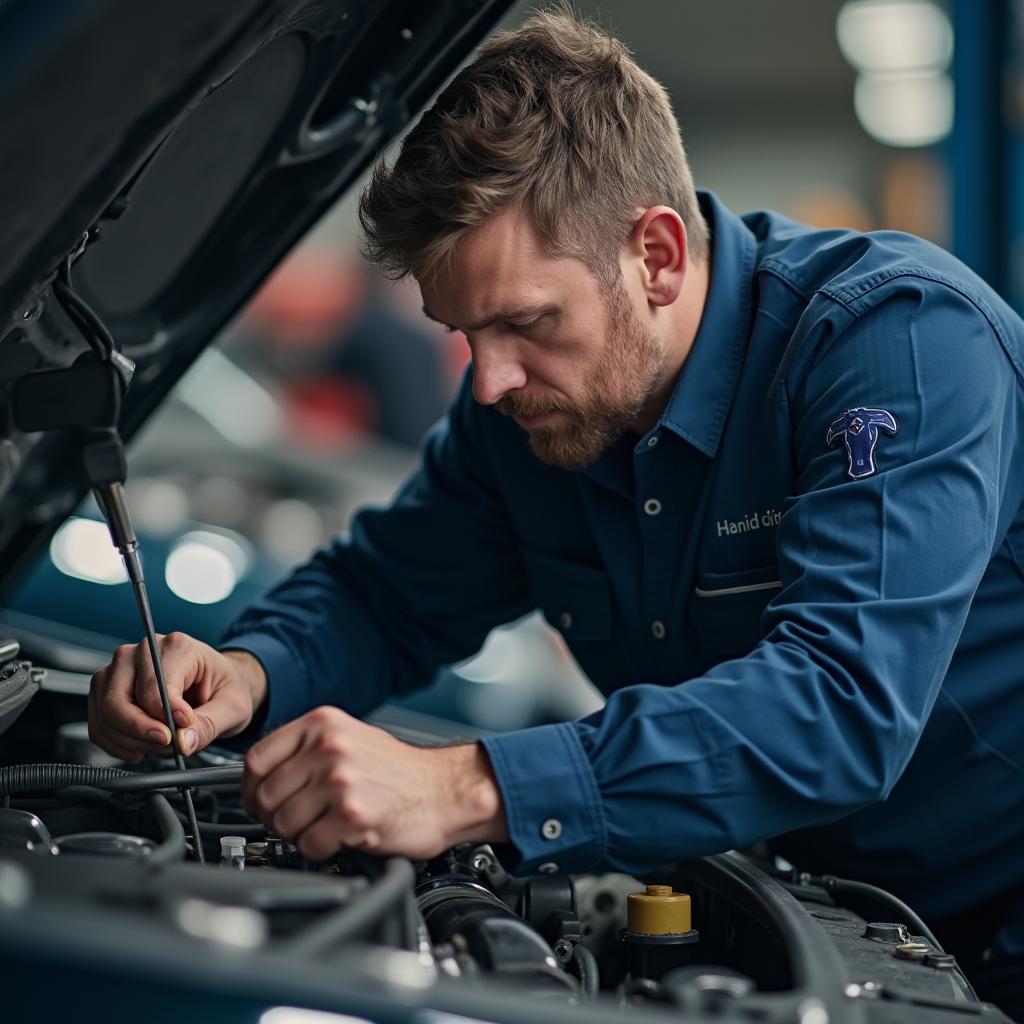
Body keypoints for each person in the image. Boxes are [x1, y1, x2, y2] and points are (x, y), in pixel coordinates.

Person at [88, 10, 1024, 1012]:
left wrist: (463, 785)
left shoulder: (895, 345)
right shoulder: (529, 414)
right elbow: (387, 593)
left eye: (525, 322)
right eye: (462, 332)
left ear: (656, 256)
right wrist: (244, 673)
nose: (486, 380)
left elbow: (840, 703)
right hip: (835, 923)